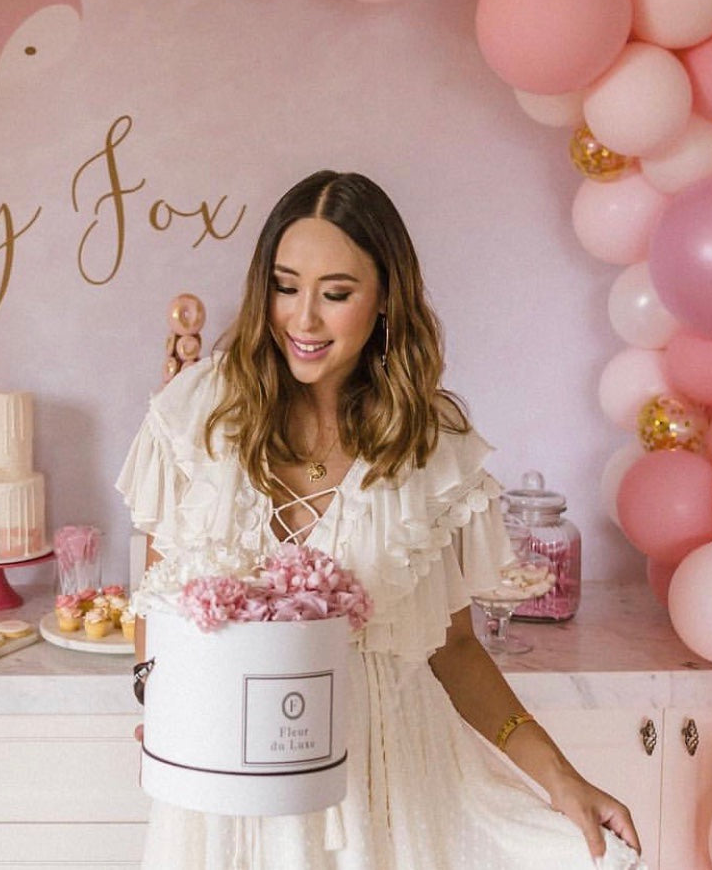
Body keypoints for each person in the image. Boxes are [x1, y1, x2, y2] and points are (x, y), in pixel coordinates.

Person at [117, 170, 644, 870]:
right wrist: (165, 704)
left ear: (384, 298)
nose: (302, 318)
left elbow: (452, 650)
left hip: (386, 786)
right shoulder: (196, 414)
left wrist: (559, 775)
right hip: (225, 790)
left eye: (335, 293)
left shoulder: (432, 446)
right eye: (285, 285)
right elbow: (156, 604)